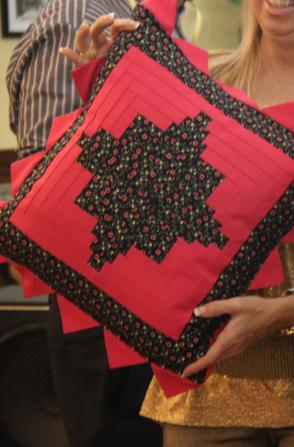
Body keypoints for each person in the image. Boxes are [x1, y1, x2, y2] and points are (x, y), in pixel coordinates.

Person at [66, 1, 294, 446]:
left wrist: (289, 310)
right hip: (204, 394)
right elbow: (130, 201)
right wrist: (113, 91)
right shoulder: (195, 82)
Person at [5, 1, 172, 446]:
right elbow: (51, 190)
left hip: (139, 305)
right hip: (104, 318)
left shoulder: (126, 14)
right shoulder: (77, 17)